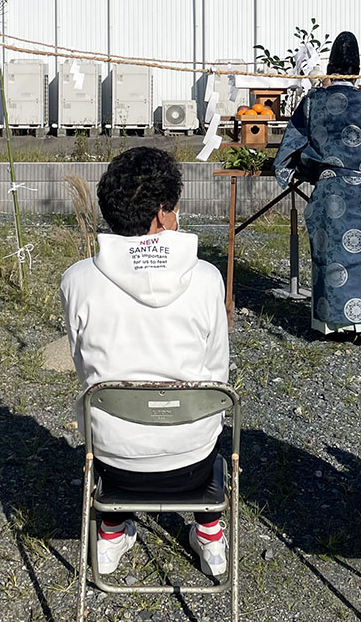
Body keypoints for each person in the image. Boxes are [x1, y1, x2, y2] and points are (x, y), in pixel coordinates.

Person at [61, 147, 230, 578]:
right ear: (161, 215)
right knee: (208, 425)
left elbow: (85, 371)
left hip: (114, 460)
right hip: (192, 462)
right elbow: (217, 377)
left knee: (108, 419)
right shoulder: (207, 278)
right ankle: (210, 534)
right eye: (174, 209)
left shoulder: (78, 280)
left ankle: (111, 532)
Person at [273, 31, 361, 344]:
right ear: (358, 70)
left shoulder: (313, 102)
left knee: (329, 255)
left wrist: (304, 170)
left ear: (330, 66)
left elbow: (293, 146)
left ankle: (330, 325)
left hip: (326, 190)